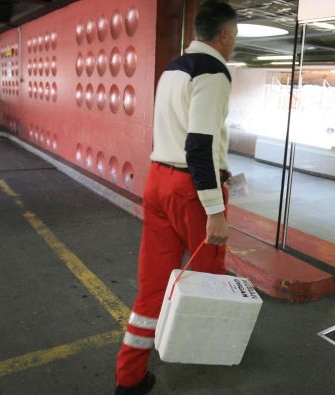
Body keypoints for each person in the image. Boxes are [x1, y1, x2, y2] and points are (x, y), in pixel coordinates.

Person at [114, 2, 238, 394]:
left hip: (158, 181)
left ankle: (129, 378)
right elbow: (199, 145)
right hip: (191, 191)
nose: (234, 43)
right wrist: (215, 209)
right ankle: (199, 350)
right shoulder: (213, 71)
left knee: (152, 285)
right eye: (234, 36)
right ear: (224, 36)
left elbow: (184, 133)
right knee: (207, 275)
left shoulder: (173, 68)